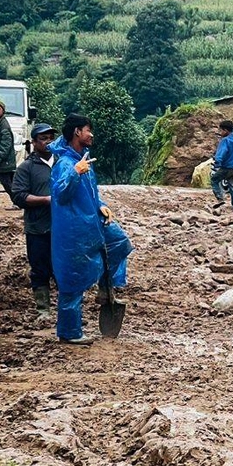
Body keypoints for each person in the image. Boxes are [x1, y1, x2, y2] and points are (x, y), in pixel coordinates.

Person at [48, 114, 133, 345]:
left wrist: (102, 206)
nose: (91, 134)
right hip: (74, 230)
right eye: (88, 130)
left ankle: (105, 286)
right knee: (72, 279)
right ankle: (69, 332)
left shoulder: (84, 160)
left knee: (120, 243)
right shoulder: (66, 164)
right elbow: (61, 194)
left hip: (92, 221)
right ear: (77, 132)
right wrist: (76, 172)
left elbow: (91, 194)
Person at [11, 123, 56, 322]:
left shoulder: (62, 162)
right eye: (43, 139)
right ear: (34, 143)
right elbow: (18, 196)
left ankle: (66, 309)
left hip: (62, 227)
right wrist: (46, 200)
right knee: (39, 268)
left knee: (63, 268)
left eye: (50, 138)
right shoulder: (26, 168)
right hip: (37, 227)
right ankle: (43, 309)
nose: (47, 142)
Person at [211, 119, 233, 213]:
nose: (220, 133)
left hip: (226, 167)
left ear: (225, 130)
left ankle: (220, 199)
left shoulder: (225, 140)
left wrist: (217, 162)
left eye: (221, 130)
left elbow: (221, 153)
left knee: (214, 179)